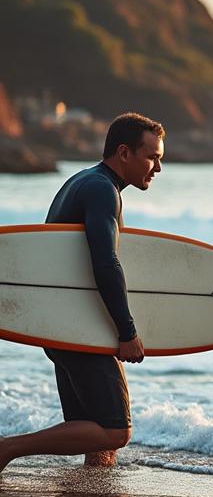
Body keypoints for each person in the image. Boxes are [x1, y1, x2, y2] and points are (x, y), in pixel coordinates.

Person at [0, 113, 165, 473]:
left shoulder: (83, 182)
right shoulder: (102, 191)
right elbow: (105, 262)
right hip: (75, 331)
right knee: (115, 430)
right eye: (152, 156)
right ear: (124, 152)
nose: (158, 167)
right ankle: (7, 448)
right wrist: (128, 332)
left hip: (61, 325)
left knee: (93, 434)